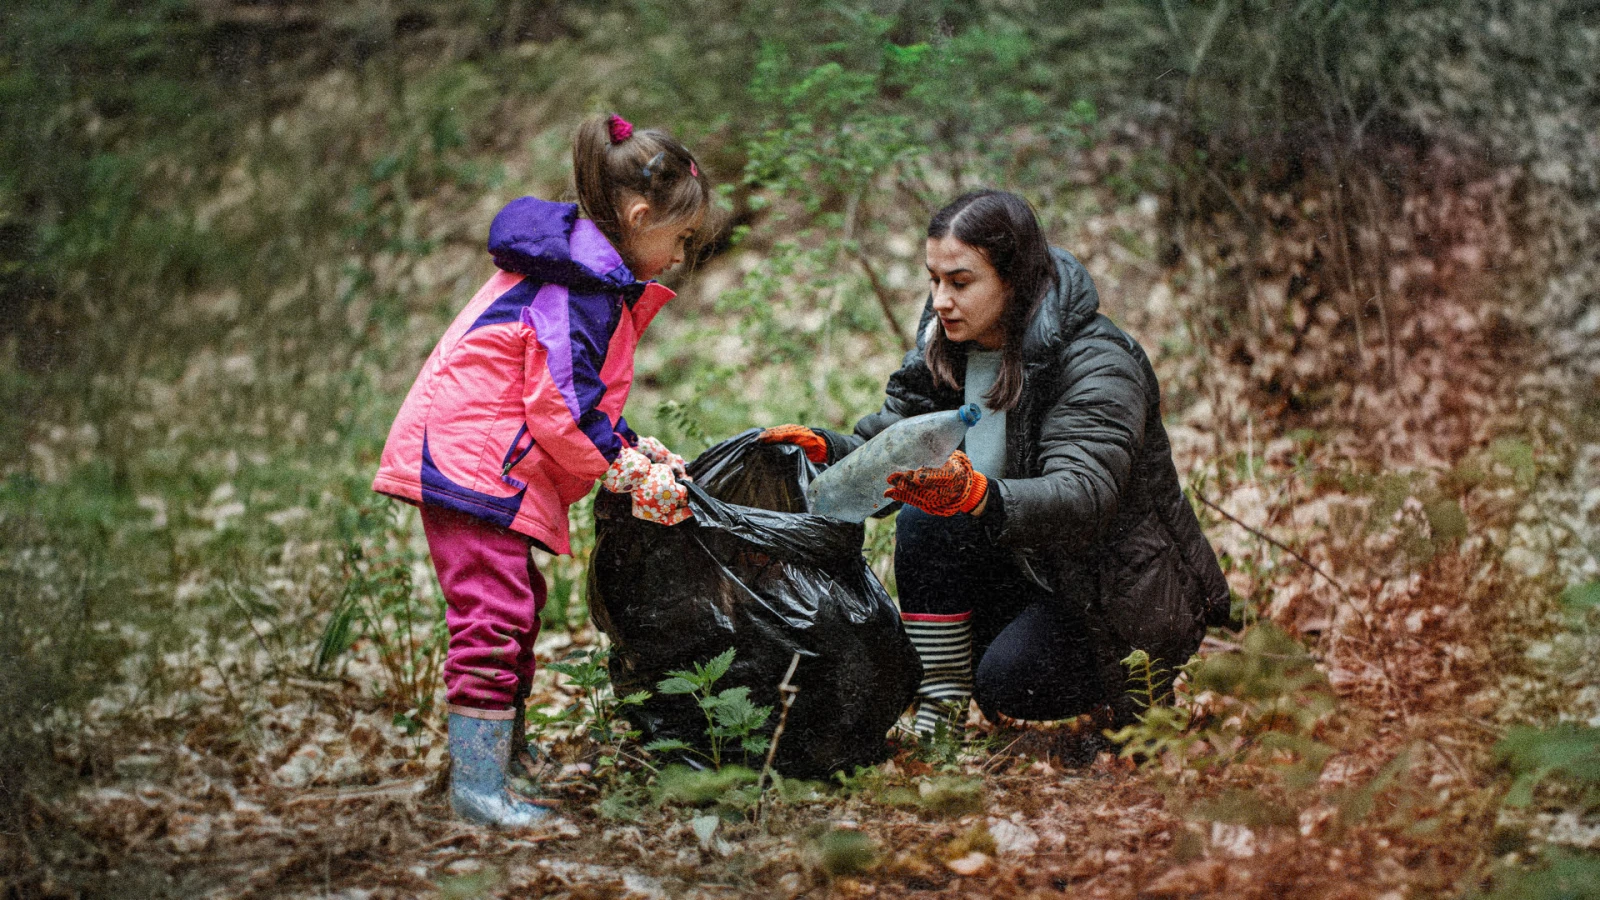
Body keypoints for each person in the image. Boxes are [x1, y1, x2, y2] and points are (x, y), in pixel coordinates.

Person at [761, 189, 1230, 737]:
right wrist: (828, 451)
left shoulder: (1097, 361)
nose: (939, 300)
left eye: (960, 283)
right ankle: (941, 705)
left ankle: (1121, 700)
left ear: (1015, 280)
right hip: (1030, 567)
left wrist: (981, 497)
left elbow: (1084, 494)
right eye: (933, 280)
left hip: (1113, 597)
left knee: (1012, 681)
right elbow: (895, 443)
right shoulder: (950, 346)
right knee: (923, 516)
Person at [372, 113, 704, 826]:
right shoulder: (576, 288)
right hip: (472, 462)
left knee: (515, 605)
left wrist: (631, 447)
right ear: (641, 217)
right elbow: (557, 407)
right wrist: (620, 468)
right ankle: (478, 789)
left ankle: (501, 758)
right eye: (678, 238)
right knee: (492, 616)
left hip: (490, 458)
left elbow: (581, 398)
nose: (679, 256)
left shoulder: (589, 277)